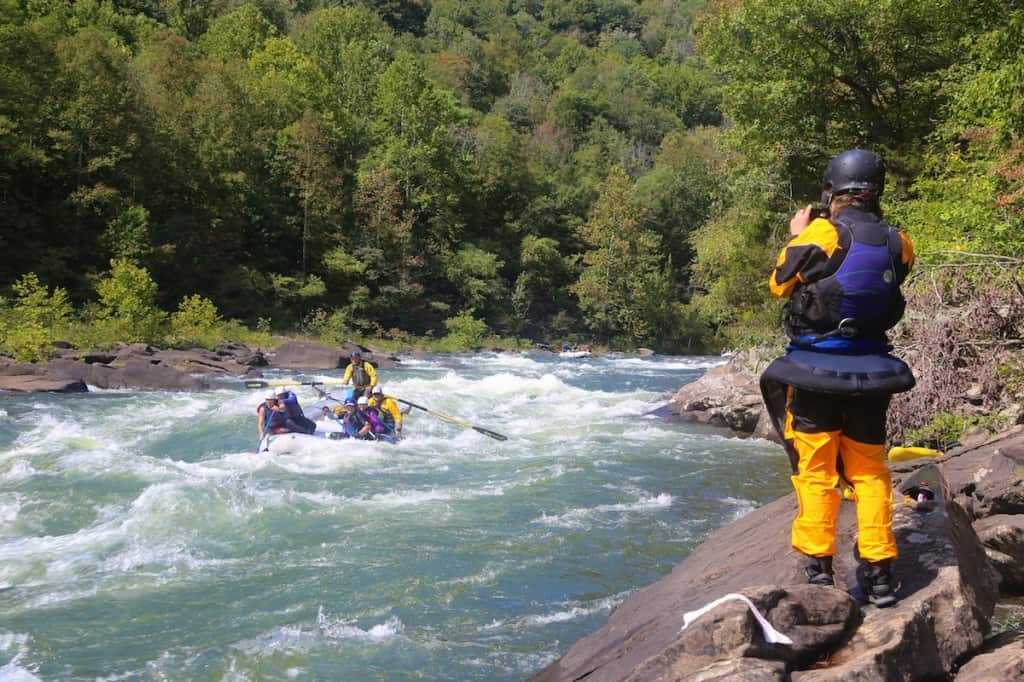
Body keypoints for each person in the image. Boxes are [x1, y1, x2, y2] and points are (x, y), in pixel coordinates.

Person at [759, 149, 916, 608]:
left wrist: (800, 233)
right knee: (869, 472)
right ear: (874, 192)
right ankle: (880, 574)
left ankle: (819, 568)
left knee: (817, 471)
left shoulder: (822, 233)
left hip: (814, 374)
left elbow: (779, 284)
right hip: (872, 376)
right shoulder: (898, 240)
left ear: (833, 192)